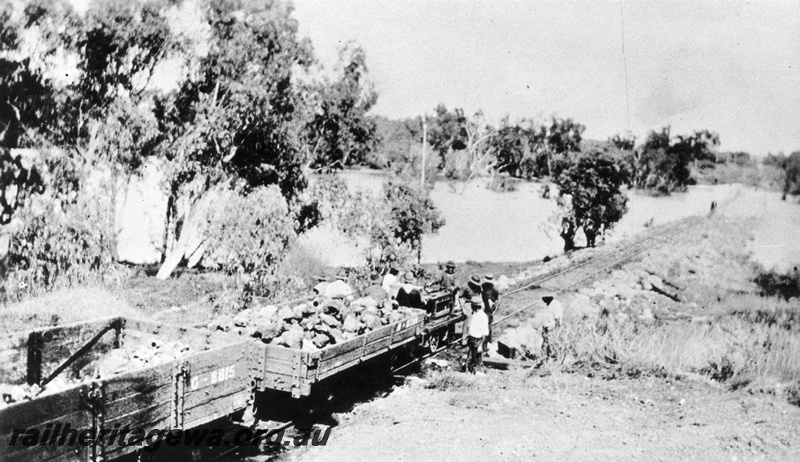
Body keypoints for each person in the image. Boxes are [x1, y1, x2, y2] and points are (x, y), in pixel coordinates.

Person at [465, 297, 489, 374]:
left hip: (477, 340)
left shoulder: (483, 316)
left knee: (476, 358)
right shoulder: (474, 314)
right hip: (472, 338)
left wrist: (481, 345)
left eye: (472, 305)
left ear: (475, 306)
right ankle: (469, 370)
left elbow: (484, 332)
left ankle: (475, 371)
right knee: (470, 356)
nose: (471, 307)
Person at [459, 275, 482, 344]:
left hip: (477, 303)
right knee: (468, 320)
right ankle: (464, 338)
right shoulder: (465, 286)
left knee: (478, 319)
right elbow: (460, 297)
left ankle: (475, 336)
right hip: (468, 303)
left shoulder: (478, 287)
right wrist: (463, 308)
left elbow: (480, 295)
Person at [540, 294, 564, 358]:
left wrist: (556, 330)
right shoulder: (548, 304)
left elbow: (558, 319)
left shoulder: (555, 305)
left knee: (552, 345)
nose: (542, 299)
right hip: (546, 328)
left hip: (552, 328)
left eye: (544, 297)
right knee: (545, 345)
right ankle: (545, 359)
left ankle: (553, 359)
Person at [481, 274, 500, 354]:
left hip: (489, 308)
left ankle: (487, 342)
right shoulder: (482, 286)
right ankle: (481, 342)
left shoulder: (494, 288)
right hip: (483, 307)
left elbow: (498, 299)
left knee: (488, 325)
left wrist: (495, 308)